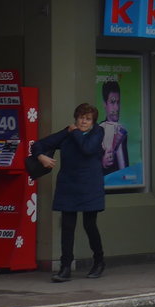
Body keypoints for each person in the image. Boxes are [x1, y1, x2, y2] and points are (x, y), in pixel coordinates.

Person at [33, 103, 107, 282]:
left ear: (93, 121)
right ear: (76, 118)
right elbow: (39, 144)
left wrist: (73, 132)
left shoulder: (97, 132)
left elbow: (87, 148)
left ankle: (99, 261)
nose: (84, 121)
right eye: (81, 117)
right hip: (69, 185)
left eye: (88, 119)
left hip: (90, 185)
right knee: (67, 226)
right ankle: (65, 267)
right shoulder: (67, 133)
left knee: (89, 225)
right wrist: (41, 156)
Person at [99, 78, 129, 174]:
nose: (116, 108)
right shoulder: (99, 131)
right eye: (112, 102)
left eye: (118, 102)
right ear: (105, 104)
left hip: (124, 185)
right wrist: (102, 163)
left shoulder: (122, 131)